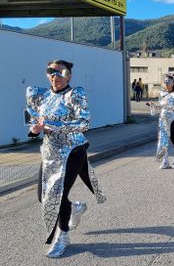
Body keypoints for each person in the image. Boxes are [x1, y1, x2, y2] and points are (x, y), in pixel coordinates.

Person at [26, 59, 106, 258]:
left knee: (58, 195)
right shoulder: (42, 97)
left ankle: (63, 237)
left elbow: (84, 123)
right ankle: (76, 207)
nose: (56, 76)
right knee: (42, 196)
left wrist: (50, 124)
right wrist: (35, 129)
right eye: (51, 72)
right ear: (47, 75)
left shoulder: (75, 94)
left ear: (69, 75)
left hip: (72, 151)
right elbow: (37, 124)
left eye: (61, 73)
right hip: (50, 153)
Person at [148, 74, 174, 169]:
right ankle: (165, 161)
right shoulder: (162, 94)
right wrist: (153, 105)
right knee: (163, 140)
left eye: (168, 82)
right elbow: (161, 107)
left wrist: (168, 107)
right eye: (165, 82)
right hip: (163, 119)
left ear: (173, 83)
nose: (166, 83)